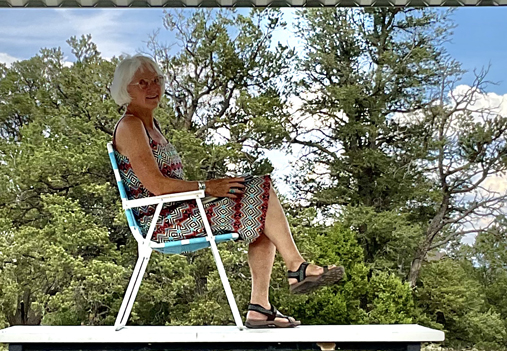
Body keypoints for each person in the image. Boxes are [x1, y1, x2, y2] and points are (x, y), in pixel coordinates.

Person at [110, 54, 344, 328]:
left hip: (180, 211)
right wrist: (208, 187)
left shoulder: (152, 125)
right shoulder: (130, 126)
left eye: (157, 80)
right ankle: (292, 272)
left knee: (259, 193)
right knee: (261, 194)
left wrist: (212, 189)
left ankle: (263, 305)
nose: (152, 88)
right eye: (142, 83)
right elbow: (157, 186)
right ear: (125, 89)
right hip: (161, 223)